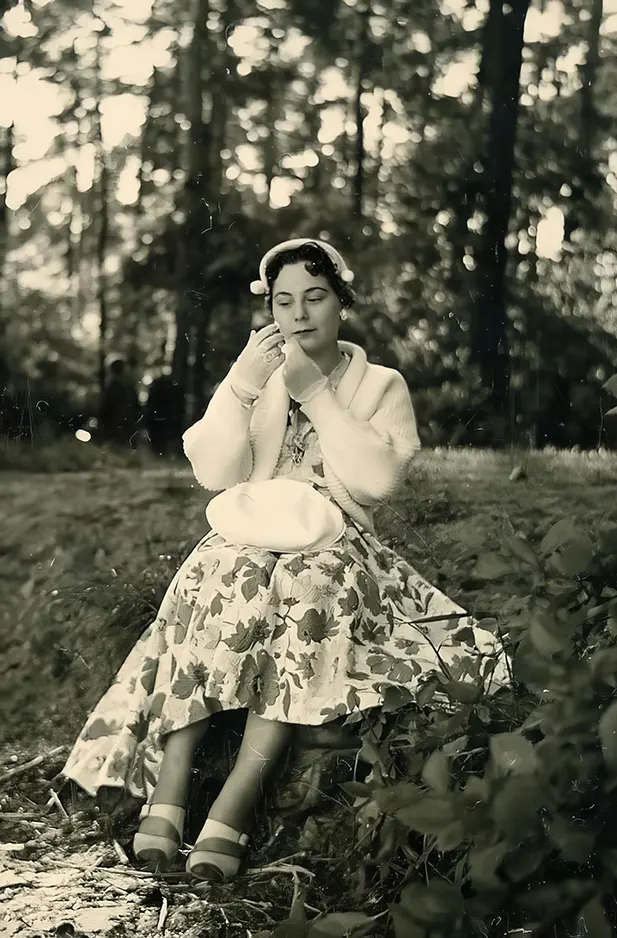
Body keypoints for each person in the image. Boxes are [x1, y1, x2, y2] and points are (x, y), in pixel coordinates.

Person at [61, 238, 505, 884]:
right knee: (220, 576)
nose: (298, 315)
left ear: (342, 304)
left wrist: (319, 396)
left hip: (337, 540)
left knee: (305, 589)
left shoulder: (380, 384)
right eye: (283, 301)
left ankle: (238, 796)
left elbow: (376, 484)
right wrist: (241, 386)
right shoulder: (259, 374)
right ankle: (172, 789)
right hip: (248, 527)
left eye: (315, 297)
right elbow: (215, 473)